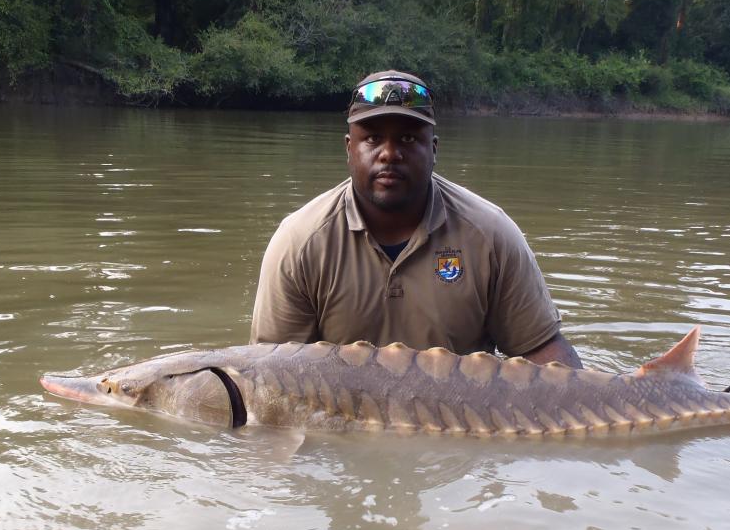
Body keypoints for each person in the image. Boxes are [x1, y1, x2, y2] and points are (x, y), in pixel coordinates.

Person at [249, 70, 581, 367]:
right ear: (349, 149)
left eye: (408, 139)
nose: (390, 153)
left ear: (434, 149)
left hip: (461, 428)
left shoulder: (491, 234)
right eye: (373, 138)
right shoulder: (299, 242)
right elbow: (270, 375)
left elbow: (542, 350)